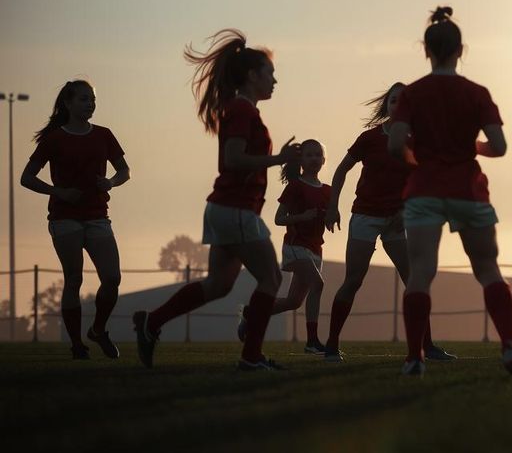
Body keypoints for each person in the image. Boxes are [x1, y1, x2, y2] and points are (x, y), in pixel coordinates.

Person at [133, 29, 300, 370]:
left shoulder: (242, 109)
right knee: (271, 279)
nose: (275, 81)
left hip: (224, 209)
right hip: (236, 209)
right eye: (270, 73)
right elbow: (234, 159)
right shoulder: (242, 110)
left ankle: (151, 323)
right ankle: (251, 357)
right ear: (252, 76)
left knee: (219, 285)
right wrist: (278, 160)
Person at [387, 6, 512, 376]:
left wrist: (420, 158)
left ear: (426, 50)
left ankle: (415, 357)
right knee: (487, 269)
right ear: (461, 50)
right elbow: (499, 146)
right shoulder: (477, 93)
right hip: (468, 188)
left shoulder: (413, 94)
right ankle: (510, 348)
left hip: (424, 190)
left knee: (420, 272)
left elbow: (395, 144)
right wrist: (470, 148)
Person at [322, 82, 455, 363]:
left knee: (414, 280)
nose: (398, 105)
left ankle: (426, 346)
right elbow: (341, 170)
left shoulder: (416, 142)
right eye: (394, 100)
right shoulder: (369, 139)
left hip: (396, 221)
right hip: (365, 216)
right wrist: (332, 206)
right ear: (387, 106)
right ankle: (331, 345)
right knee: (354, 280)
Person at [21, 80, 130, 360]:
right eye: (83, 99)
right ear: (68, 103)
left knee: (112, 278)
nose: (90, 104)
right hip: (64, 218)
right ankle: (77, 345)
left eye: (92, 99)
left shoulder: (104, 135)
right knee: (74, 279)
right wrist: (58, 192)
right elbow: (27, 177)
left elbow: (124, 171)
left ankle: (98, 330)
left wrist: (111, 183)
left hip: (97, 217)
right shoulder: (55, 139)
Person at [237, 139, 330, 354]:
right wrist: (302, 217)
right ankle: (312, 342)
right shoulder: (295, 187)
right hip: (296, 247)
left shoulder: (327, 190)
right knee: (318, 284)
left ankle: (252, 315)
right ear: (301, 160)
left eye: (318, 155)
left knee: (293, 302)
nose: (314, 158)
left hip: (316, 248)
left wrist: (332, 217)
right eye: (309, 155)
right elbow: (279, 219)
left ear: (324, 160)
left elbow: (327, 214)